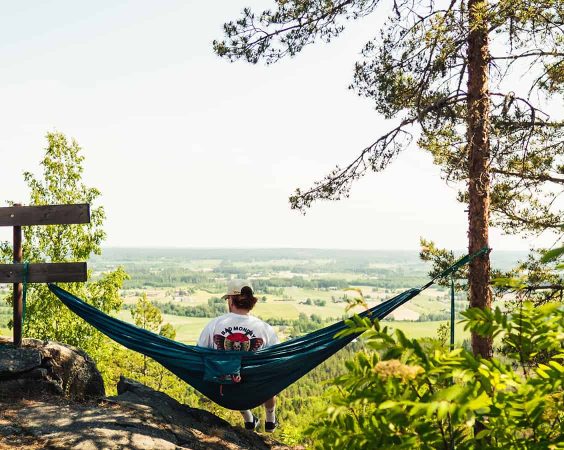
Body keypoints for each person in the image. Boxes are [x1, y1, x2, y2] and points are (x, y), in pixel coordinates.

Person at [197, 279, 279, 432]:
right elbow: (275, 359)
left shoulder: (214, 325)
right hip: (258, 387)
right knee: (269, 376)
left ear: (231, 300)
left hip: (226, 387)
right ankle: (270, 419)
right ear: (251, 301)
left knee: (229, 373)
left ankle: (249, 419)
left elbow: (200, 352)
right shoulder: (264, 328)